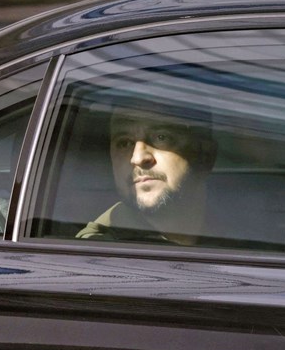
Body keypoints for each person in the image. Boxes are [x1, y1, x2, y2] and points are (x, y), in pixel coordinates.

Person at [77, 101, 217, 245]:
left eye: (161, 137)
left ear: (205, 155)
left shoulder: (230, 229)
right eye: (124, 143)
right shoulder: (96, 248)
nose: (138, 158)